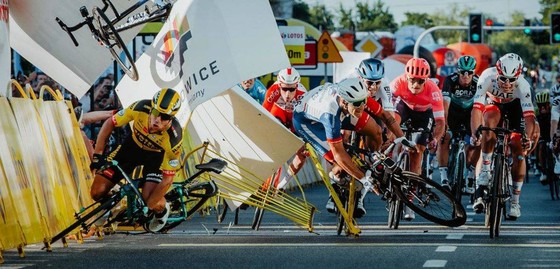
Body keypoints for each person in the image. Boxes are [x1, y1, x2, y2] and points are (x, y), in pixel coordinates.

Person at [293, 77, 414, 218]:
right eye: (358, 104)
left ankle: (372, 158)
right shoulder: (329, 114)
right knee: (340, 162)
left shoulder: (357, 98)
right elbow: (338, 153)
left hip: (343, 109)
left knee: (375, 130)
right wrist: (363, 178)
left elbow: (385, 116)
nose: (362, 106)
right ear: (344, 102)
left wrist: (401, 137)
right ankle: (336, 181)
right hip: (308, 123)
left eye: (364, 102)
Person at [89, 88, 183, 232]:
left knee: (149, 198)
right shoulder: (140, 108)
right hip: (131, 148)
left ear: (171, 119)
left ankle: (163, 211)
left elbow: (167, 180)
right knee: (97, 192)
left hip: (155, 158)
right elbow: (110, 123)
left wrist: (149, 207)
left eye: (164, 117)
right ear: (151, 109)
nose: (157, 119)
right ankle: (112, 204)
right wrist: (98, 156)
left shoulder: (174, 138)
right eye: (156, 113)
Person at [470, 53, 538, 219]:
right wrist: (476, 131)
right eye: (503, 78)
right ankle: (485, 169)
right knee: (488, 124)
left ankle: (515, 202)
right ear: (497, 72)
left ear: (518, 76)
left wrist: (527, 138)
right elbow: (477, 109)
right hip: (494, 104)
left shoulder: (523, 86)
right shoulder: (486, 77)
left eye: (511, 80)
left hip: (516, 109)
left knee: (518, 147)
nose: (507, 84)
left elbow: (529, 118)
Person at [389, 57, 445, 220]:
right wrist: (388, 133)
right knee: (393, 125)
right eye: (412, 80)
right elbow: (388, 112)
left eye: (420, 81)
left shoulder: (433, 90)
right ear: (406, 77)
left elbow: (441, 122)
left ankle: (410, 202)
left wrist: (435, 138)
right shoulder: (397, 83)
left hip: (423, 114)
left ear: (426, 80)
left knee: (418, 151)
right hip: (404, 107)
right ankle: (392, 154)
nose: (416, 85)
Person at [436, 55, 480, 194]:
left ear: (474, 72)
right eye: (462, 72)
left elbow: (480, 108)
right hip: (453, 113)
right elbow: (445, 106)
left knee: (479, 140)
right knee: (444, 137)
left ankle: (471, 174)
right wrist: (444, 125)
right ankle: (443, 177)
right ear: (458, 71)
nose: (466, 76)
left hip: (470, 114)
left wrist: (478, 130)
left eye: (469, 73)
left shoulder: (479, 83)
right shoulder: (450, 80)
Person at [262, 67, 308, 190]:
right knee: (274, 142)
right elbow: (263, 114)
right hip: (279, 113)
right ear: (279, 85)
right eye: (284, 89)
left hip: (295, 117)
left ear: (297, 86)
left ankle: (282, 185)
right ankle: (261, 183)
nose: (288, 94)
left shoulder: (303, 95)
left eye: (292, 89)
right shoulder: (273, 91)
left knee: (302, 153)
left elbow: (306, 121)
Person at [534, 90, 551, 184]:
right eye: (540, 105)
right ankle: (543, 170)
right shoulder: (536, 112)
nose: (543, 108)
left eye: (545, 105)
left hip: (551, 131)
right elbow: (533, 125)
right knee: (540, 147)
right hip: (541, 132)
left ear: (549, 104)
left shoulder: (553, 109)